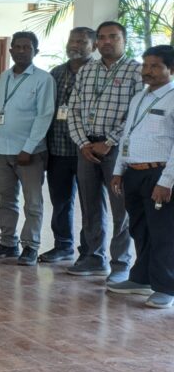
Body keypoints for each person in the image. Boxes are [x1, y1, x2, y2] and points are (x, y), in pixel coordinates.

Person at [67, 21, 143, 281]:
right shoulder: (87, 70)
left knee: (121, 208)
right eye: (102, 37)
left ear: (124, 40)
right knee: (90, 206)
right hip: (86, 148)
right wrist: (83, 143)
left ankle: (120, 264)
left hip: (118, 149)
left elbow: (136, 114)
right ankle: (94, 257)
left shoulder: (136, 71)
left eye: (113, 37)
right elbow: (73, 110)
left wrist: (109, 141)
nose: (107, 41)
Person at [109, 45, 174, 308]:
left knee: (163, 233)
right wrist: (118, 170)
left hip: (159, 173)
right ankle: (141, 278)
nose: (147, 71)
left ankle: (166, 287)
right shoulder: (139, 97)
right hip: (133, 173)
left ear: (171, 69)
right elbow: (127, 136)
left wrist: (166, 181)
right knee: (140, 229)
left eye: (155, 66)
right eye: (145, 65)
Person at [0, 32, 55, 265]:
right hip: (1, 150)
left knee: (32, 202)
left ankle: (31, 246)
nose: (22, 51)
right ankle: (8, 243)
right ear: (11, 50)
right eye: (18, 47)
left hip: (29, 154)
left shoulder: (43, 79)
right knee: (5, 199)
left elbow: (44, 116)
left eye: (27, 47)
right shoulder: (3, 77)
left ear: (36, 51)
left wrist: (29, 148)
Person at [42, 27, 96, 263]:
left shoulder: (96, 73)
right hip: (58, 149)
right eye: (72, 40)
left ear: (93, 46)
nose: (75, 45)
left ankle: (89, 251)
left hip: (86, 150)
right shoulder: (56, 72)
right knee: (60, 202)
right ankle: (63, 245)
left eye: (82, 42)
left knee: (90, 204)